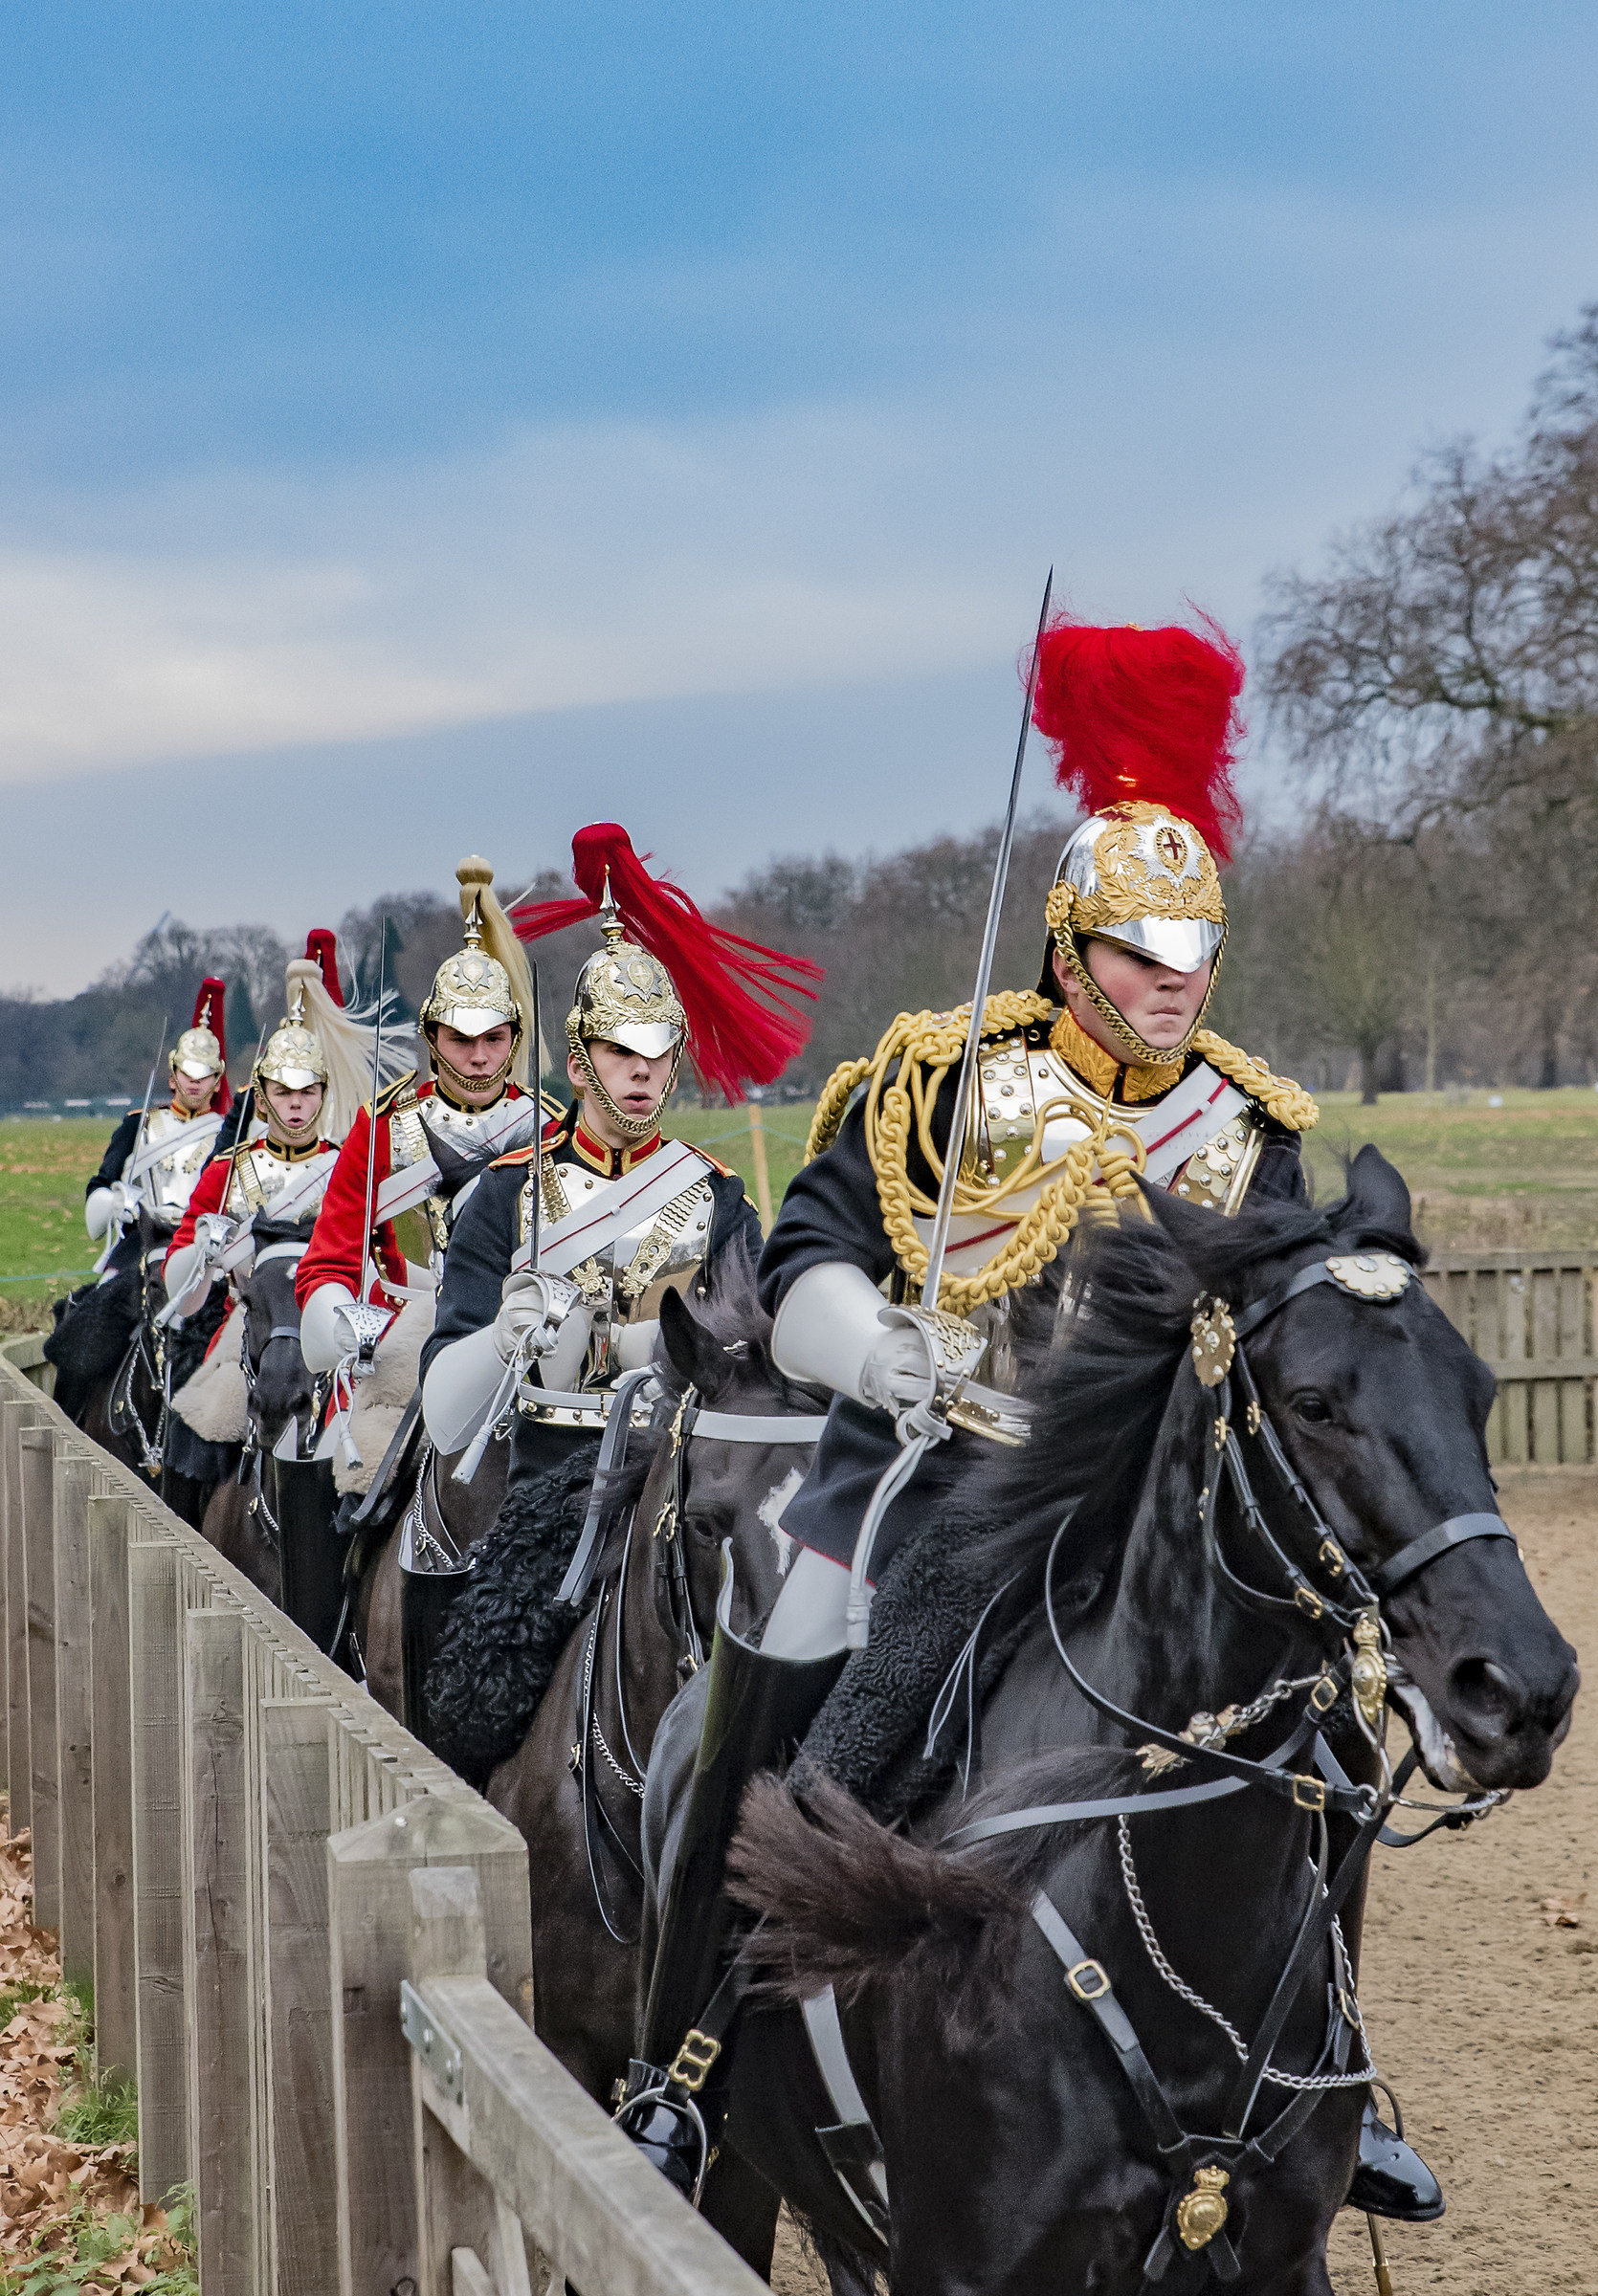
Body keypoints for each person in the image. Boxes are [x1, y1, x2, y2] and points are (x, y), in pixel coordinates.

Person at [622, 614, 1440, 2226]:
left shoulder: (1254, 1129)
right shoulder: (944, 1078)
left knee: (1321, 1738)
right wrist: (882, 1352)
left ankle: (1328, 2065)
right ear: (1070, 952)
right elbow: (802, 1266)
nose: (1175, 981)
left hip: (1153, 1512)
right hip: (943, 1476)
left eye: (1196, 951)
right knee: (789, 1665)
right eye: (1143, 954)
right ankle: (691, 2058)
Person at [417, 822, 816, 1496]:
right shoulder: (506, 1195)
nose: (641, 1071)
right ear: (578, 1065)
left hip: (676, 1467)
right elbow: (446, 1407)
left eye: (656, 1053)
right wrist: (499, 1342)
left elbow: (758, 1352)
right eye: (620, 1053)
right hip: (541, 1467)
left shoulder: (718, 1197)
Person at [296, 859, 542, 1380]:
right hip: (405, 1335)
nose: (479, 1057)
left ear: (513, 1039)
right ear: (432, 1039)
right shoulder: (382, 1124)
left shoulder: (546, 1126)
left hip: (524, 1337)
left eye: (493, 1039)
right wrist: (338, 1319)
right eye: (461, 1039)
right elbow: (330, 1257)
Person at [83, 978, 233, 1276]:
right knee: (104, 1299)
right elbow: (101, 1183)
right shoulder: (138, 1125)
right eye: (187, 1072)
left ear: (217, 1082)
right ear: (172, 1076)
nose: (194, 1082)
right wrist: (115, 1201)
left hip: (202, 1243)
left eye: (204, 1075)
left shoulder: (228, 1134)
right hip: (142, 1239)